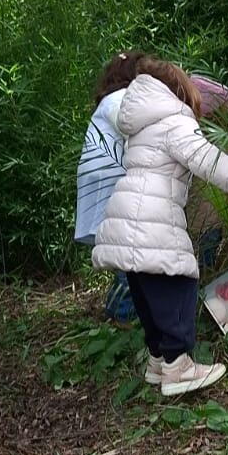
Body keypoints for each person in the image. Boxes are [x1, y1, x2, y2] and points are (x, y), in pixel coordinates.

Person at [93, 56, 228, 396]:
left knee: (146, 291)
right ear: (179, 91)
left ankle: (157, 360)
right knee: (179, 282)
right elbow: (207, 160)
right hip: (153, 218)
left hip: (126, 215)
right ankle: (178, 365)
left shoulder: (140, 122)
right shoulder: (174, 120)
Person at [75, 52, 144, 325]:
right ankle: (120, 316)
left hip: (110, 185)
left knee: (128, 252)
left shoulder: (110, 101)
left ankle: (120, 314)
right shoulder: (119, 101)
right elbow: (134, 127)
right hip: (113, 189)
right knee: (129, 255)